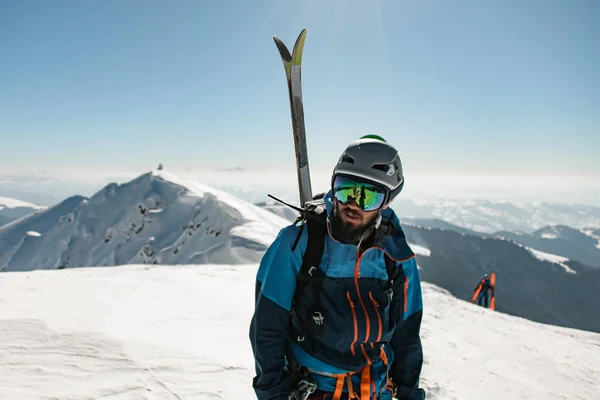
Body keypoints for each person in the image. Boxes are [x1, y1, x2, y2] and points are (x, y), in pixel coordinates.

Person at [249, 136, 426, 400]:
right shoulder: (297, 243)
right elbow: (267, 326)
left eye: (368, 196)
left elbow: (407, 334)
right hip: (314, 390)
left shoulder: (396, 257)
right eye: (345, 189)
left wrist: (409, 392)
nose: (353, 203)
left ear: (386, 202)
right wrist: (273, 392)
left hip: (375, 390)